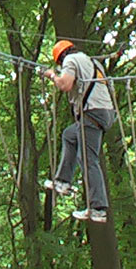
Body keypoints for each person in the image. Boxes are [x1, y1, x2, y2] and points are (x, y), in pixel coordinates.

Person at [41, 40, 117, 223]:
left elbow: (65, 85)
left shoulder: (71, 60)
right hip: (105, 112)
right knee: (70, 135)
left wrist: (52, 75)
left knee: (88, 159)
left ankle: (98, 208)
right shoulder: (91, 62)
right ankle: (63, 181)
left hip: (92, 113)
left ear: (61, 58)